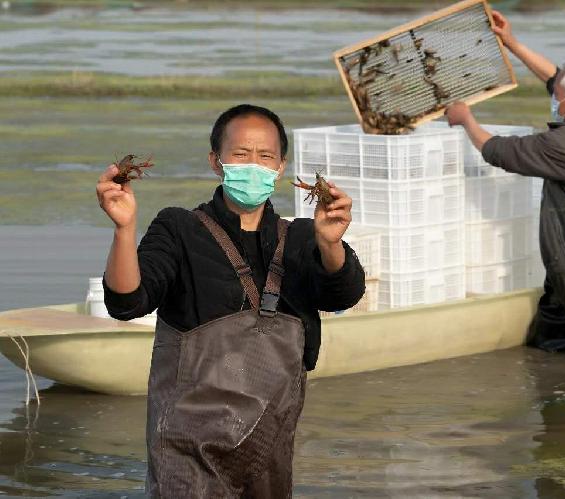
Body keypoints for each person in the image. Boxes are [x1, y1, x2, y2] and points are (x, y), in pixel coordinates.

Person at [96, 104, 366, 497]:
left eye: (265, 156)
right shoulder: (179, 228)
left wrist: (331, 243)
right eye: (240, 154)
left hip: (267, 449)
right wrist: (124, 229)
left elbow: (345, 293)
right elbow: (127, 302)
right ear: (215, 161)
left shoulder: (305, 238)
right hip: (187, 450)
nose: (253, 165)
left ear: (280, 168)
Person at [446, 11, 565, 365]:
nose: (556, 97)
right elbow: (554, 78)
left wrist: (466, 120)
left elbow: (500, 151)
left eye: (562, 96)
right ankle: (560, 385)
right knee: (554, 341)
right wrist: (512, 43)